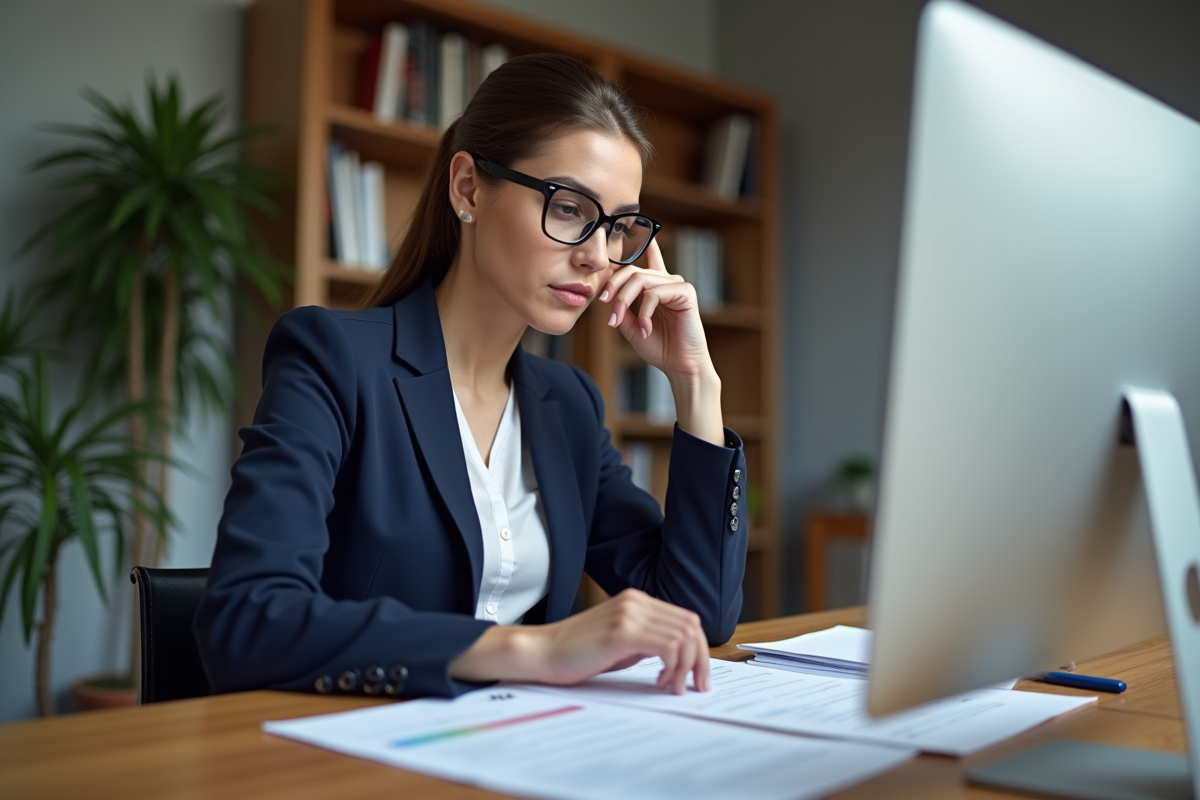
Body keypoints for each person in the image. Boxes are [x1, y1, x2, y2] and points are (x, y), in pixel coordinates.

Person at [194, 53, 748, 701]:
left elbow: (697, 618)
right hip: (349, 743)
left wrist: (695, 384)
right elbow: (246, 620)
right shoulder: (333, 359)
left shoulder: (568, 405)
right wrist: (534, 648)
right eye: (570, 208)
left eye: (619, 227)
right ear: (468, 189)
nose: (598, 256)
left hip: (518, 743)